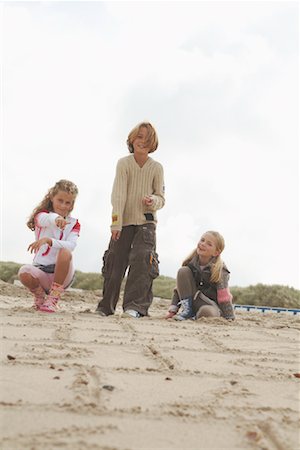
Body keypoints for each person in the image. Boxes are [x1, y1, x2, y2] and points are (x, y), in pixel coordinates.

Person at [96, 121, 165, 318]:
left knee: (142, 263)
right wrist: (115, 222)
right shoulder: (124, 164)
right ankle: (105, 307)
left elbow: (161, 198)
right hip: (123, 223)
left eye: (147, 138)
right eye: (139, 137)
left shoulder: (157, 168)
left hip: (146, 223)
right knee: (114, 263)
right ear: (132, 139)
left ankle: (135, 307)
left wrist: (153, 201)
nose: (142, 141)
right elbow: (118, 195)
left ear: (153, 144)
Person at [18, 179, 80, 313]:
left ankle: (53, 298)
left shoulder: (74, 224)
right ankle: (40, 296)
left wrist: (49, 241)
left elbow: (72, 245)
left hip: (63, 276)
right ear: (52, 198)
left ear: (71, 205)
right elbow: (48, 219)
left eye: (67, 202)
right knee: (24, 272)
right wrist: (57, 219)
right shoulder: (41, 216)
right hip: (42, 274)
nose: (63, 206)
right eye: (60, 200)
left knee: (65, 252)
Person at [165, 231, 235, 321]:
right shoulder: (190, 264)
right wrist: (173, 310)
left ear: (216, 252)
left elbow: (224, 296)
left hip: (210, 306)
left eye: (209, 244)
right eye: (202, 240)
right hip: (192, 302)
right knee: (183, 271)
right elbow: (179, 288)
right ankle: (188, 312)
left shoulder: (220, 270)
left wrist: (229, 317)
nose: (203, 244)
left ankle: (195, 317)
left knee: (207, 312)